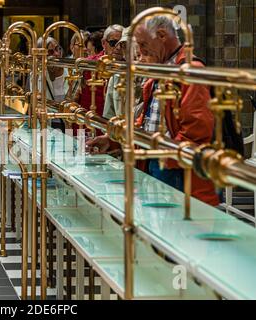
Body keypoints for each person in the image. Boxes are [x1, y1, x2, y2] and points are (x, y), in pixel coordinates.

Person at [88, 16, 219, 206]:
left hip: (177, 172)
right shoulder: (160, 71)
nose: (140, 51)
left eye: (142, 44)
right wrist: (113, 140)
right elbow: (146, 122)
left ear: (162, 35)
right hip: (158, 164)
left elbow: (196, 135)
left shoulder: (189, 72)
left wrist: (156, 155)